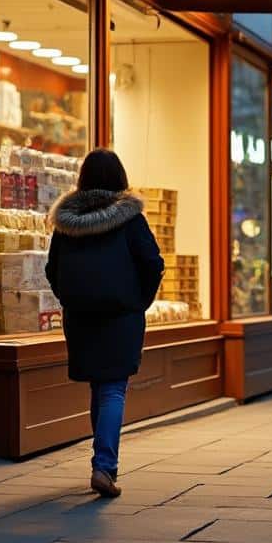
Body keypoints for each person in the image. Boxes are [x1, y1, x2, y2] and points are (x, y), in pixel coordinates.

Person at [45, 149, 164, 499]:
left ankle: (102, 463)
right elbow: (153, 263)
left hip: (80, 317)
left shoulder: (67, 222)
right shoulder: (130, 219)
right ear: (119, 178)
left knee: (99, 387)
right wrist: (138, 300)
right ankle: (104, 467)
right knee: (112, 388)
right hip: (120, 317)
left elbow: (52, 269)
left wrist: (70, 298)